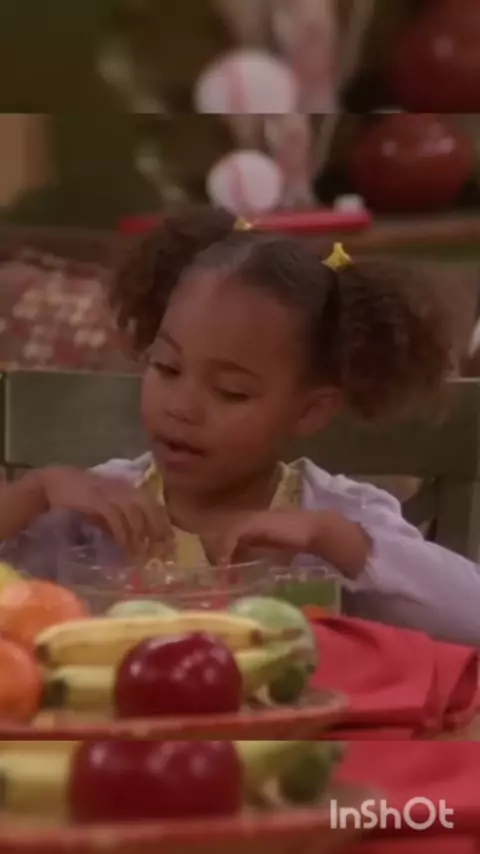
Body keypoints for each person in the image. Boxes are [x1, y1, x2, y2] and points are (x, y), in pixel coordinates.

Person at [2, 205, 480, 647]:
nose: (182, 407)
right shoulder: (98, 514)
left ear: (310, 411)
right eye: (166, 367)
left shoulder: (331, 520)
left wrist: (337, 541)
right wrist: (35, 493)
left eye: (230, 392)